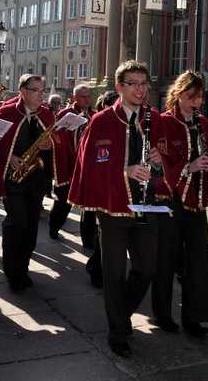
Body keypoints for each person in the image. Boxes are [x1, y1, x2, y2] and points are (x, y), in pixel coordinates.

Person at [69, 60, 171, 358]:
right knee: (113, 273)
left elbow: (169, 161)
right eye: (134, 84)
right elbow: (88, 165)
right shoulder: (101, 121)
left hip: (147, 206)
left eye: (144, 84)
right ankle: (117, 330)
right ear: (119, 87)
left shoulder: (155, 119)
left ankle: (122, 313)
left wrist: (157, 161)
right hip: (113, 209)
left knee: (147, 268)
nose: (141, 90)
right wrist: (124, 170)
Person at [153, 69, 208, 337]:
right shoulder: (163, 122)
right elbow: (160, 165)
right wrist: (189, 167)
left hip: (198, 199)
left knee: (198, 260)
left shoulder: (204, 124)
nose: (197, 103)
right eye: (192, 97)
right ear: (179, 94)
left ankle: (194, 317)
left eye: (200, 98)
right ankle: (162, 314)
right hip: (171, 198)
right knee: (166, 258)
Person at [0, 74, 55, 292]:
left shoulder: (46, 114)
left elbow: (56, 144)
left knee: (30, 227)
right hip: (13, 180)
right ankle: (12, 271)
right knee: (16, 223)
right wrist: (9, 157)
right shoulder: (7, 112)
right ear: (23, 91)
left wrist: (50, 146)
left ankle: (23, 268)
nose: (41, 95)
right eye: (36, 90)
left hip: (36, 180)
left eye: (43, 90)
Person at [48, 84, 94, 241]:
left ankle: (88, 238)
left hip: (88, 168)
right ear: (75, 98)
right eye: (83, 97)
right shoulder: (64, 115)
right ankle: (54, 227)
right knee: (63, 202)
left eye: (88, 96)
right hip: (67, 165)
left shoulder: (94, 115)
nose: (87, 100)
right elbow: (55, 136)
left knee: (89, 205)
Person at [84, 89, 120, 288]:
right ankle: (97, 270)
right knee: (103, 237)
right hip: (104, 188)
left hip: (122, 190)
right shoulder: (100, 122)